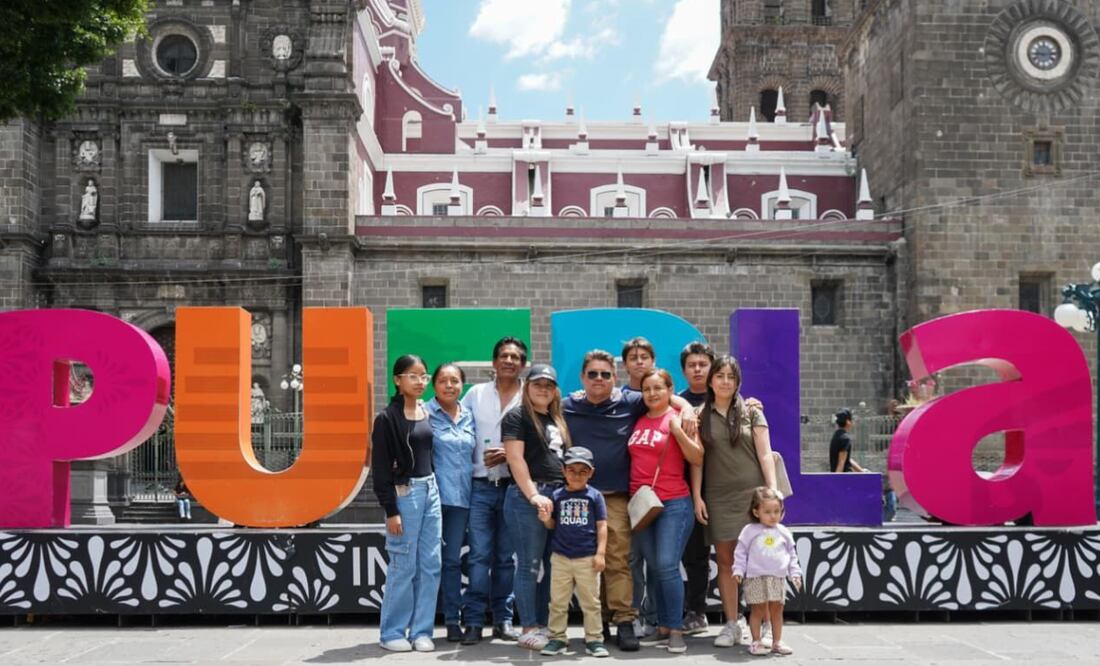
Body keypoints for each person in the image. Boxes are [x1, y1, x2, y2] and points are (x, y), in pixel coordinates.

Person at [562, 349, 697, 652]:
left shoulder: (629, 401)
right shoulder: (567, 405)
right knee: (582, 564)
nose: (599, 379)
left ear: (615, 378)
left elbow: (662, 395)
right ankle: (598, 624)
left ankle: (624, 621)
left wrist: (686, 408)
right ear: (583, 377)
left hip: (619, 498)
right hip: (578, 497)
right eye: (593, 374)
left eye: (605, 374)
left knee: (620, 562)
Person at [692, 355, 778, 648]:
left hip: (752, 497)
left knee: (759, 564)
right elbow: (698, 461)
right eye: (720, 376)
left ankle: (765, 624)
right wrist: (697, 496)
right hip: (717, 497)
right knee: (727, 562)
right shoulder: (699, 415)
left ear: (738, 381)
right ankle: (732, 623)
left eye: (731, 376)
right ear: (711, 381)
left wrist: (772, 491)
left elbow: (766, 453)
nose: (725, 381)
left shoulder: (752, 412)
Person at [629, 369, 703, 654]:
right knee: (654, 567)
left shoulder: (680, 417)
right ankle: (660, 625)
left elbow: (697, 457)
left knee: (667, 565)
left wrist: (677, 430)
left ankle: (675, 629)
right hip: (642, 506)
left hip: (673, 502)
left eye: (658, 388)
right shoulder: (637, 420)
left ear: (670, 389)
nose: (652, 394)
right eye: (647, 389)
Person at [371, 355, 442, 653]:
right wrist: (391, 510)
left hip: (431, 490)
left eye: (423, 376)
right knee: (403, 564)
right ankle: (392, 632)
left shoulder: (427, 411)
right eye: (412, 376)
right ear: (398, 380)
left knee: (431, 563)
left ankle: (422, 630)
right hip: (405, 493)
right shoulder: (387, 418)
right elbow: (381, 469)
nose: (420, 381)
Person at [459, 337, 526, 644]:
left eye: (515, 357)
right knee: (479, 556)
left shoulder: (530, 394)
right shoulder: (475, 394)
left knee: (505, 559)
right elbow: (456, 423)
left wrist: (510, 455)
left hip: (515, 487)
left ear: (522, 364)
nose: (509, 361)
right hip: (481, 486)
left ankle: (503, 620)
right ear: (494, 362)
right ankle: (472, 621)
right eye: (503, 356)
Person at [502, 363, 571, 651]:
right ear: (527, 386)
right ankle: (528, 627)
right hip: (528, 498)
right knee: (529, 566)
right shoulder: (517, 415)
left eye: (549, 385)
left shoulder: (557, 418)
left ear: (555, 390)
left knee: (552, 565)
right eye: (537, 383)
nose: (543, 389)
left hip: (556, 496)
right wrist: (533, 496)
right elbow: (515, 460)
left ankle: (543, 624)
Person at [538, 446, 610, 658]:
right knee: (558, 602)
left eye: (583, 471)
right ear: (563, 471)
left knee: (591, 602)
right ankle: (557, 638)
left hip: (588, 557)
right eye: (572, 470)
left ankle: (594, 639)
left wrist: (601, 553)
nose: (577, 475)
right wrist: (545, 519)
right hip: (561, 557)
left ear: (591, 473)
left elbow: (602, 526)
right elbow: (552, 525)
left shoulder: (595, 496)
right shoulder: (557, 495)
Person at [426, 363, 477, 643]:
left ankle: (452, 621)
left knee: (451, 563)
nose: (449, 385)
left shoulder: (469, 416)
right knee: (425, 562)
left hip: (461, 500)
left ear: (462, 385)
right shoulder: (424, 413)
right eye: (443, 380)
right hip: (430, 500)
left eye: (455, 381)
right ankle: (418, 623)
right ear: (434, 385)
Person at [619, 336, 659, 639]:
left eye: (644, 356)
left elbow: (682, 403)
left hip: (658, 492)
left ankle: (653, 617)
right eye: (633, 357)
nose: (639, 361)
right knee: (631, 560)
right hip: (625, 490)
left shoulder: (661, 393)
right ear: (625, 364)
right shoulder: (618, 397)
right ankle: (629, 615)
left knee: (656, 561)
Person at [732, 487, 802, 656]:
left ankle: (776, 641)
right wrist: (738, 570)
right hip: (756, 578)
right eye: (768, 512)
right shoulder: (749, 531)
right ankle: (756, 642)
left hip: (777, 578)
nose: (773, 516)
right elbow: (740, 552)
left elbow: (792, 554)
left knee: (777, 610)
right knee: (758, 610)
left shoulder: (783, 532)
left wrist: (795, 573)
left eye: (777, 511)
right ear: (756, 512)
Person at [677, 341, 715, 636]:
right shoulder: (677, 402)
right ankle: (695, 611)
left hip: (725, 488)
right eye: (692, 365)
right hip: (689, 489)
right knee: (694, 555)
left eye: (703, 364)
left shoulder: (729, 399)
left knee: (732, 556)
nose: (698, 369)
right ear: (684, 370)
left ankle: (738, 614)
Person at [829, 408, 866, 473]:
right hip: (844, 477)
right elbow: (841, 462)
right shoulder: (845, 439)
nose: (853, 421)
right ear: (848, 422)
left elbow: (847, 459)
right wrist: (836, 480)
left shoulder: (836, 435)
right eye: (851, 419)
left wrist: (862, 471)